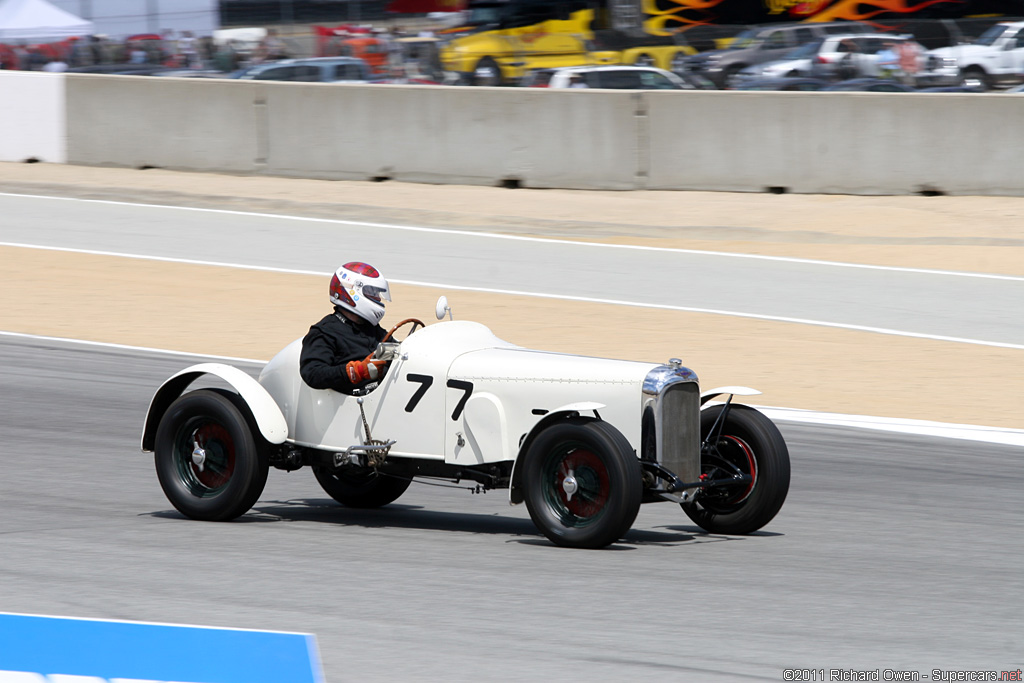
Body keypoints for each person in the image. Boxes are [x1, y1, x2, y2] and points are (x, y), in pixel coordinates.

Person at [300, 262, 392, 396]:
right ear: (352, 292)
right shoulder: (325, 332)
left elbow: (392, 353)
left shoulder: (370, 328)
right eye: (372, 292)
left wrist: (407, 350)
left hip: (381, 398)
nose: (377, 298)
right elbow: (312, 373)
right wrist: (356, 371)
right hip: (352, 405)